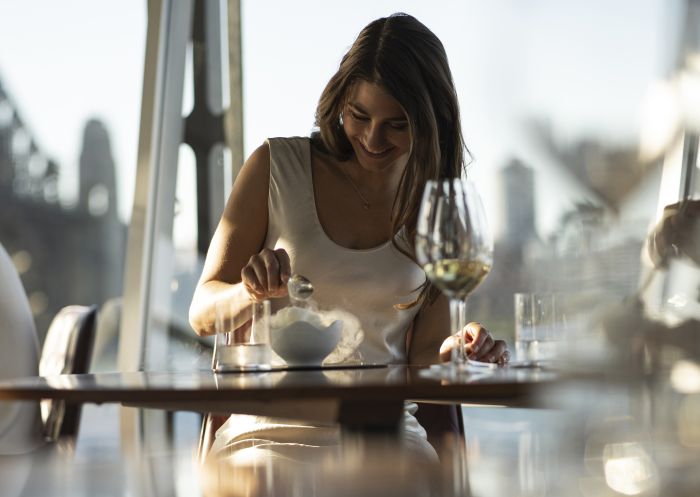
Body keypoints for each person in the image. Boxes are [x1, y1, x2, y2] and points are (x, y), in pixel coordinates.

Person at [189, 12, 508, 368]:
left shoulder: (436, 210)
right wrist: (248, 293)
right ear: (340, 101)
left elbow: (425, 357)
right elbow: (201, 316)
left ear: (434, 122)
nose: (372, 139)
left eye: (397, 124)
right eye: (359, 115)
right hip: (272, 418)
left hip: (383, 421)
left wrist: (460, 350)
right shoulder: (275, 167)